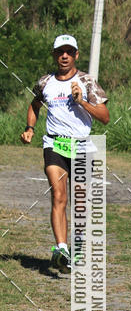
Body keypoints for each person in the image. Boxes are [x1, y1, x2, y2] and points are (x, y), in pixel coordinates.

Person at [20, 34, 109, 272]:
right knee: (59, 195)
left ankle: (77, 250)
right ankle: (61, 248)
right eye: (60, 52)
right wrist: (30, 127)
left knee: (81, 203)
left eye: (69, 51)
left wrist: (82, 102)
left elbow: (105, 117)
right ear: (54, 55)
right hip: (55, 144)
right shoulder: (45, 82)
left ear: (76, 55)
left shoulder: (87, 82)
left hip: (82, 146)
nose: (65, 56)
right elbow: (34, 105)